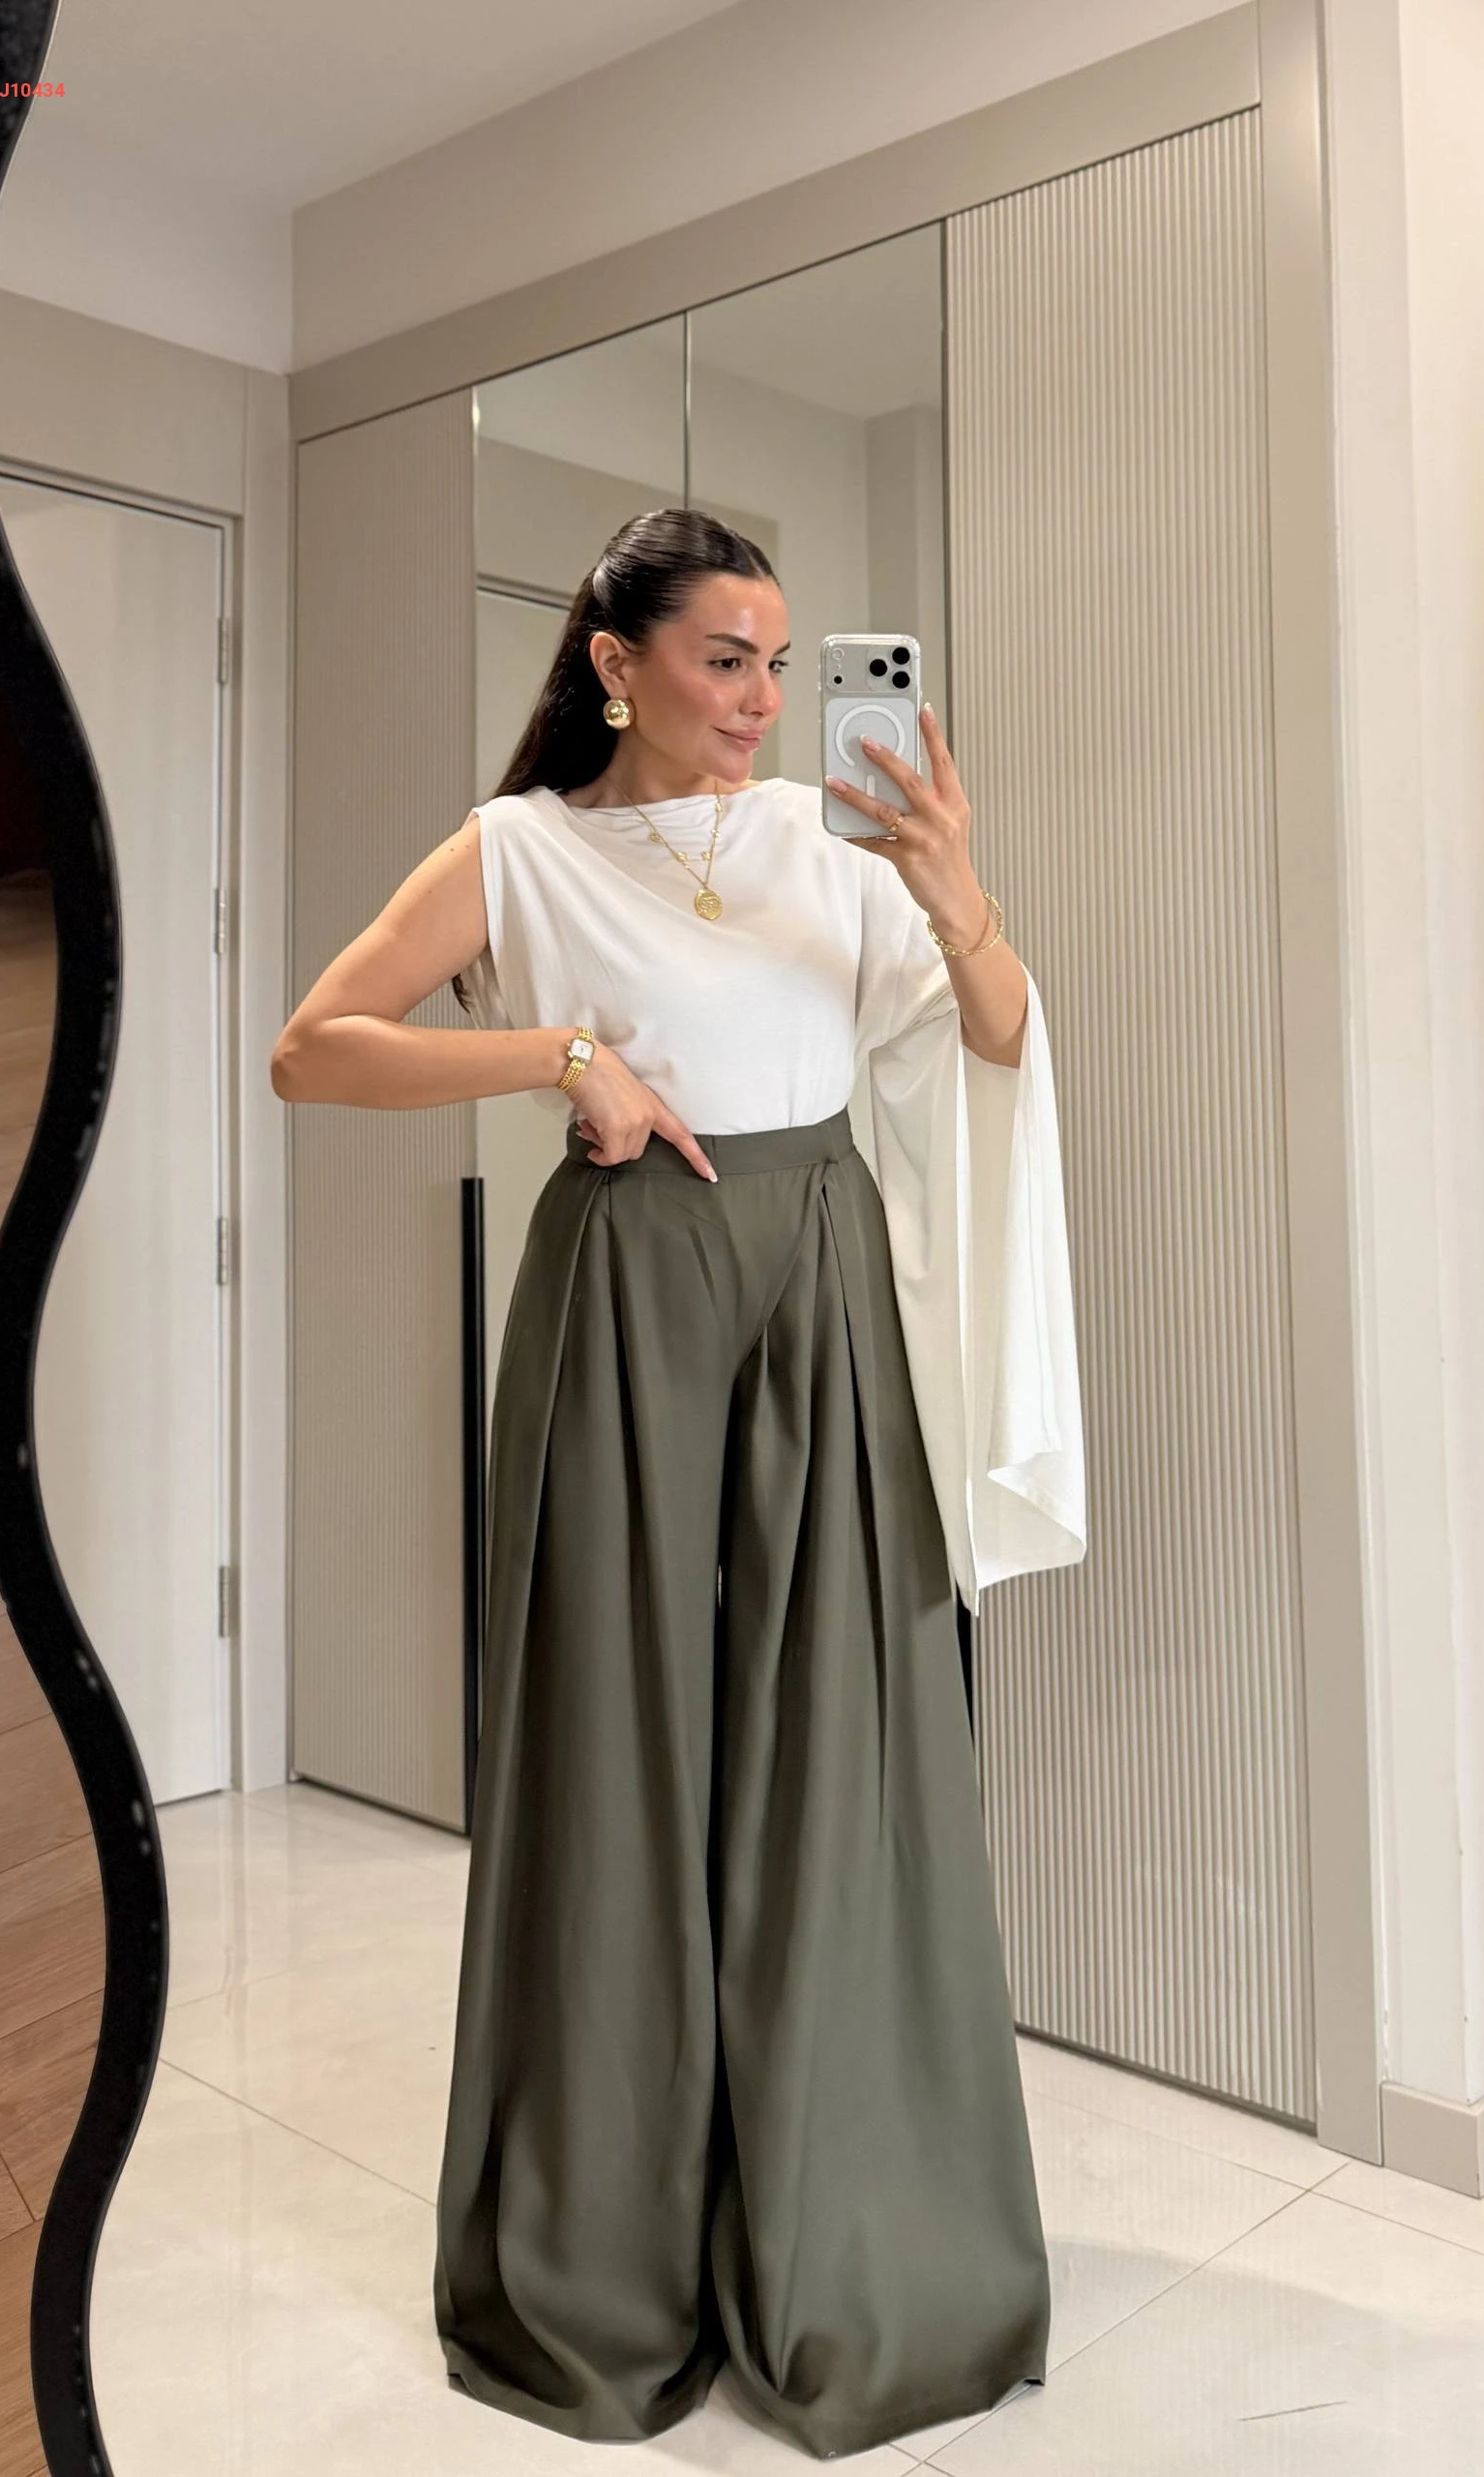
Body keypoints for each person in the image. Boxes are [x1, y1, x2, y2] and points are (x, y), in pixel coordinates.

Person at [271, 506, 1087, 2460]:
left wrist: (954, 890)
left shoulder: (833, 841)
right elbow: (315, 1048)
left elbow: (990, 1035)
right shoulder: (519, 849)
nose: (761, 698)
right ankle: (604, 2267)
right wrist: (561, 1056)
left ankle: (853, 2248)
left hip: (820, 1288)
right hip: (622, 1286)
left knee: (842, 1759)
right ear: (615, 661)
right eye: (726, 657)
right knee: (614, 1755)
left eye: (779, 663)